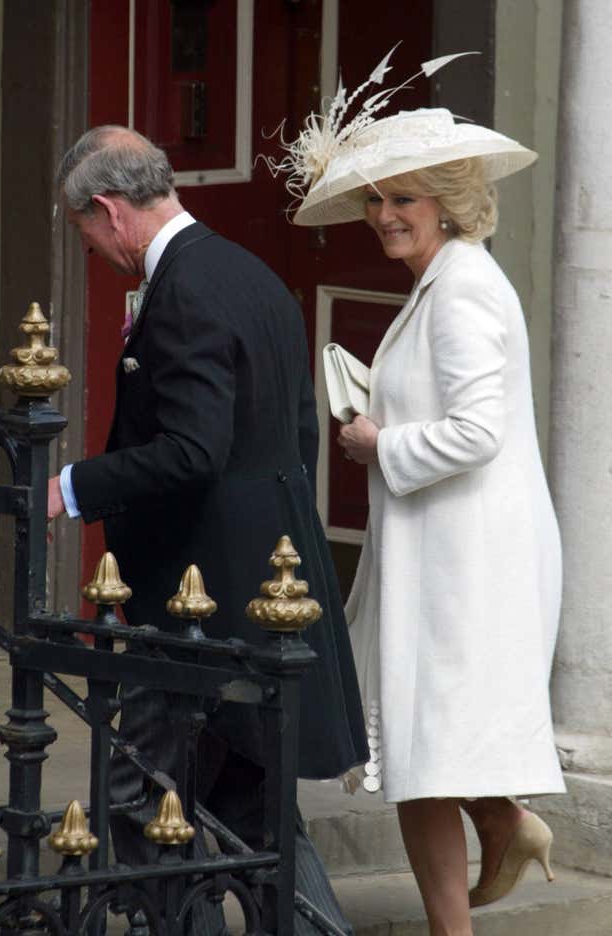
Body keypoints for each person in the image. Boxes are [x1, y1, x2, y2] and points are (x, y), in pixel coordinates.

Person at [47, 124, 368, 934]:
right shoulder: (250, 273)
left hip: (200, 597)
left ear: (110, 211)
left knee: (139, 793)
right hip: (264, 584)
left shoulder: (185, 287)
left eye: (85, 233)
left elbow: (193, 449)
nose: (92, 250)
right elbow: (291, 439)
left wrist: (72, 485)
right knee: (251, 809)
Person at [281, 91, 566, 934]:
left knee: (418, 754)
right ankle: (504, 828)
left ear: (448, 201)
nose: (383, 215)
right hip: (442, 551)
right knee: (421, 749)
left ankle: (465, 907)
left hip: (466, 562)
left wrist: (379, 443)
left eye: (404, 198)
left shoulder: (463, 289)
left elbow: (478, 432)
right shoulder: (442, 283)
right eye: (375, 198)